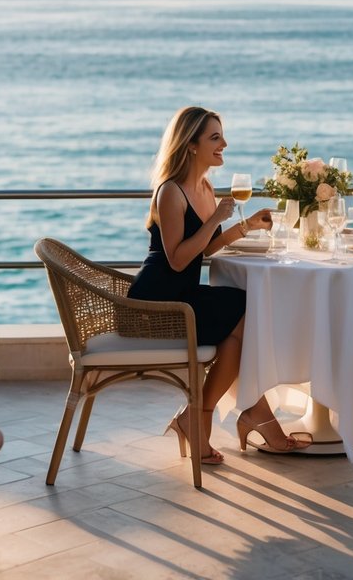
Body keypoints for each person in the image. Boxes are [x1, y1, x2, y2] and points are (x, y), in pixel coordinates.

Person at [129, 105, 311, 464]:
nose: (224, 143)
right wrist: (215, 217)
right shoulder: (171, 192)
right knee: (245, 314)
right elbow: (178, 259)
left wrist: (246, 227)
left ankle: (201, 419)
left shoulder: (205, 186)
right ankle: (232, 417)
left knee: (242, 320)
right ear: (191, 144)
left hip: (183, 294)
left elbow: (205, 249)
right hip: (157, 303)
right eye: (215, 137)